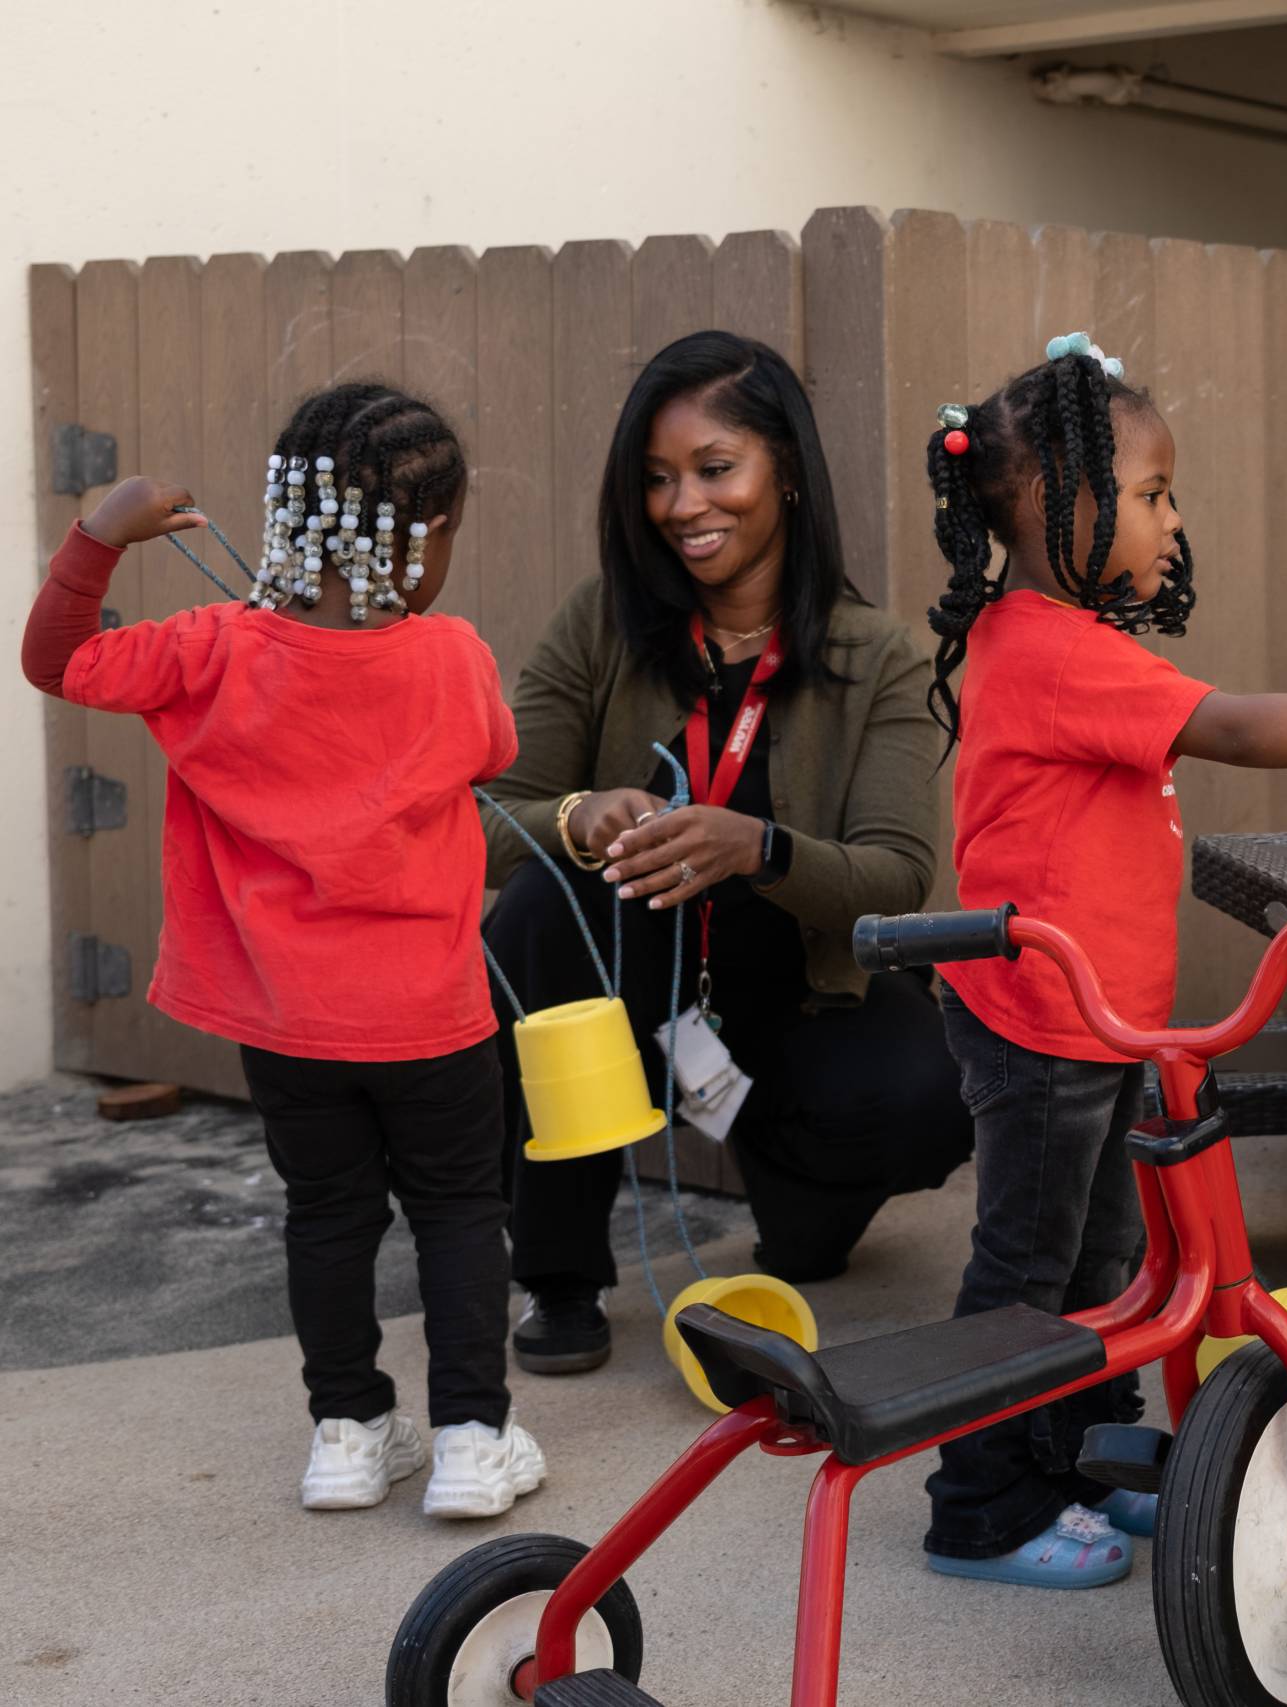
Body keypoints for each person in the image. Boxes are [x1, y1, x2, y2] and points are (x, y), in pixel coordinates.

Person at [916, 332, 1287, 1588]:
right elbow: (1235, 726)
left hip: (1088, 1023)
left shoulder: (1059, 634)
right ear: (1049, 502)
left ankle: (1073, 1458)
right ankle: (980, 1508)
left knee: (1091, 1263)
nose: (1169, 520)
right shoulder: (1052, 647)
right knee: (1030, 1270)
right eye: (1150, 494)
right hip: (1042, 1023)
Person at [22, 386, 545, 1519]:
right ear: (431, 534)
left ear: (286, 513)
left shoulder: (205, 651)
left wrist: (99, 537)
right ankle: (467, 1440)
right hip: (433, 1020)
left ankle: (347, 1435)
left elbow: (56, 662)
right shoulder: (455, 658)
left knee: (328, 1215)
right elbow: (494, 752)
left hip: (287, 1027)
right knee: (460, 1213)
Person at [481, 331, 970, 1374]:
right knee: (534, 915)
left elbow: (894, 876)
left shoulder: (878, 655)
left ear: (783, 472)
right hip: (627, 983)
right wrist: (575, 817)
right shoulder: (602, 624)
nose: (682, 506)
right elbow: (480, 815)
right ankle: (561, 1274)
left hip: (794, 995)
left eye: (714, 470)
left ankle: (798, 1208)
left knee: (929, 1091)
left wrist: (759, 846)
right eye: (656, 480)